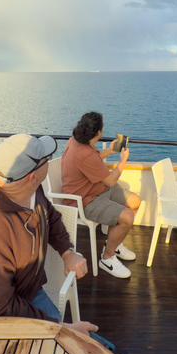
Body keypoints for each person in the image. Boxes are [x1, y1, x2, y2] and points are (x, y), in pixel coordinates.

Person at [0, 134, 97, 335]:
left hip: (24, 291)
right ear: (33, 175)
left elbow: (51, 217)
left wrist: (67, 252)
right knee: (62, 343)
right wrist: (63, 329)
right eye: (46, 159)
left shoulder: (30, 191)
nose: (49, 160)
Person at [61, 112, 141, 279]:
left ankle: (114, 244)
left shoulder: (78, 140)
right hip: (84, 200)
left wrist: (111, 150)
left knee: (134, 201)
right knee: (127, 217)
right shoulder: (84, 153)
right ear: (99, 133)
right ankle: (107, 258)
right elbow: (111, 181)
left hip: (97, 189)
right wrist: (123, 160)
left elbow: (94, 160)